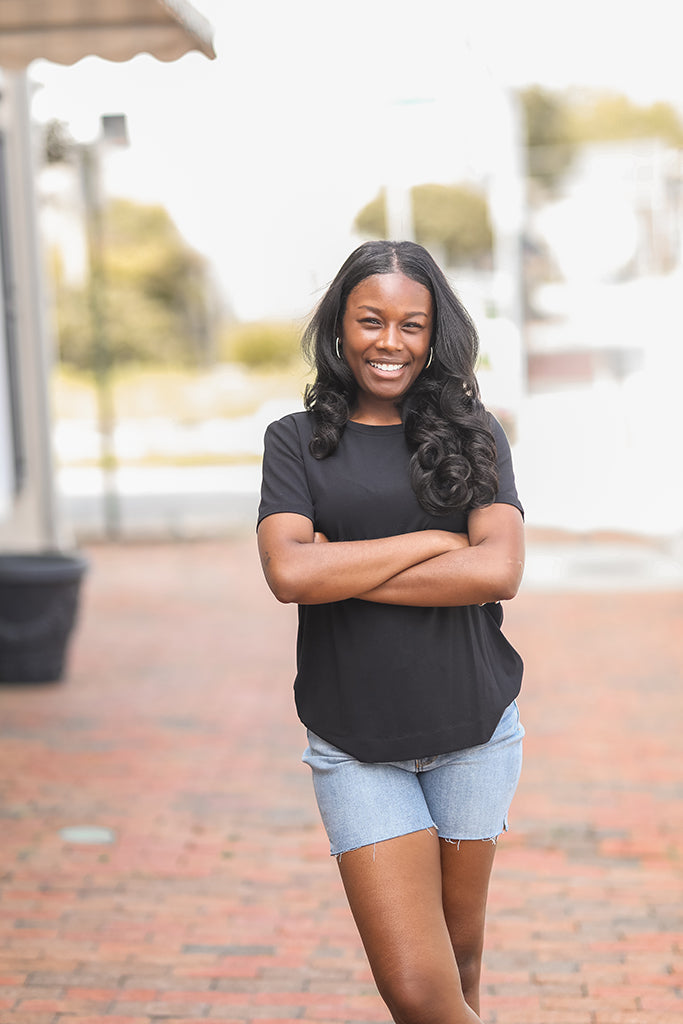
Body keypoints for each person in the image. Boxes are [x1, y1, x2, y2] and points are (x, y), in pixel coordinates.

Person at [257, 240, 525, 1024]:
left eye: (411, 325)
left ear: (434, 334)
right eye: (371, 320)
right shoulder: (295, 441)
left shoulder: (473, 433)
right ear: (340, 328)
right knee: (415, 988)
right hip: (354, 741)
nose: (390, 341)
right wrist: (430, 543)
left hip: (474, 731)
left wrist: (341, 561)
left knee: (460, 966)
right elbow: (289, 576)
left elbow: (496, 571)